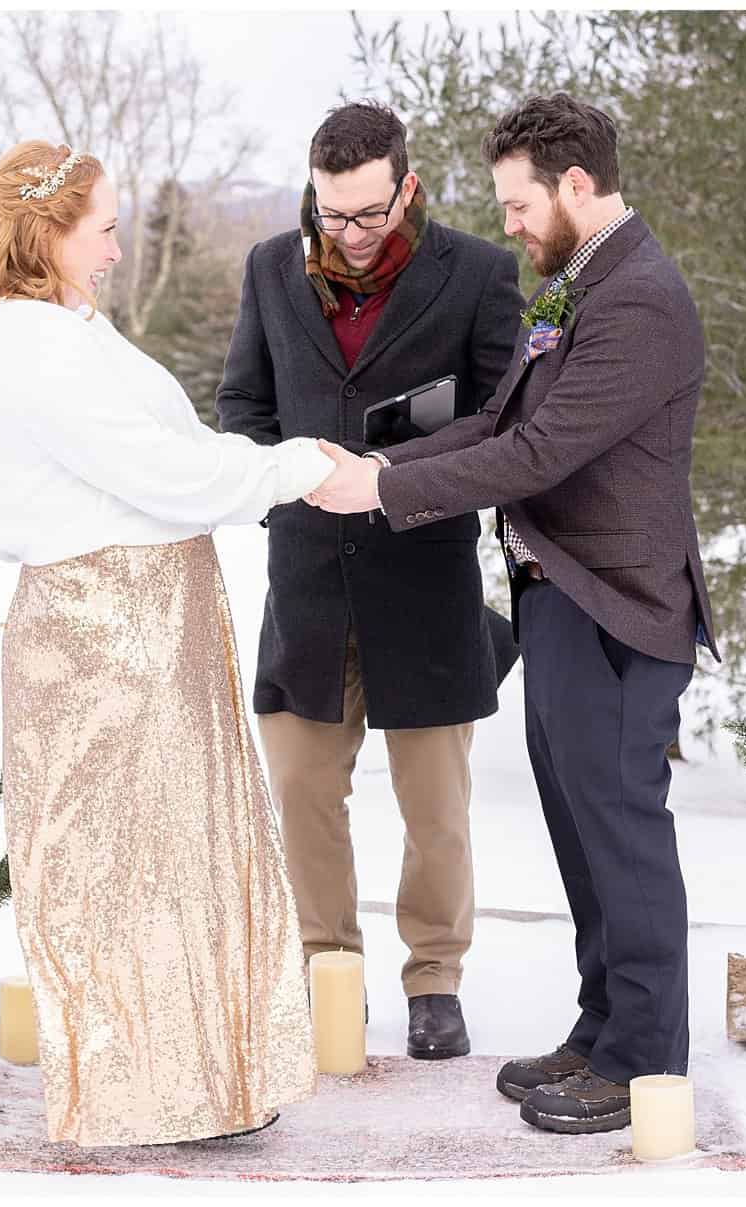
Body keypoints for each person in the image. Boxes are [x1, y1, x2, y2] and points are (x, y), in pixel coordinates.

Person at [307, 94, 721, 1135]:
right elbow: (499, 418)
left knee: (623, 837)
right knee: (582, 837)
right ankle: (601, 1027)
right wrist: (380, 463)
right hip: (561, 602)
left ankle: (641, 1060)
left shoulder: (640, 300)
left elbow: (540, 457)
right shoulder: (580, 284)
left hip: (620, 609)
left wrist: (385, 498)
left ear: (576, 186)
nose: (509, 225)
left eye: (518, 203)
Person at [0, 140, 331, 1146]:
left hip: (146, 621)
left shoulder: (69, 331)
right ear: (50, 235)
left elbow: (177, 456)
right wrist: (290, 472)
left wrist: (274, 463)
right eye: (106, 230)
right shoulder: (30, 344)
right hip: (102, 630)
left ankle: (204, 1078)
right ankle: (137, 1092)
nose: (119, 249)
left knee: (177, 852)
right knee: (119, 862)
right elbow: (156, 473)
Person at [217, 101, 525, 1060]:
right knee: (305, 792)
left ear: (407, 189)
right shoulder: (271, 267)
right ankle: (327, 971)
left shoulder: (479, 273)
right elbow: (240, 404)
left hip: (425, 586)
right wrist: (290, 477)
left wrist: (397, 478)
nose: (347, 236)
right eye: (329, 213)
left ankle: (435, 977)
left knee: (436, 810)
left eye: (366, 214)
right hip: (304, 582)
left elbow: (506, 424)